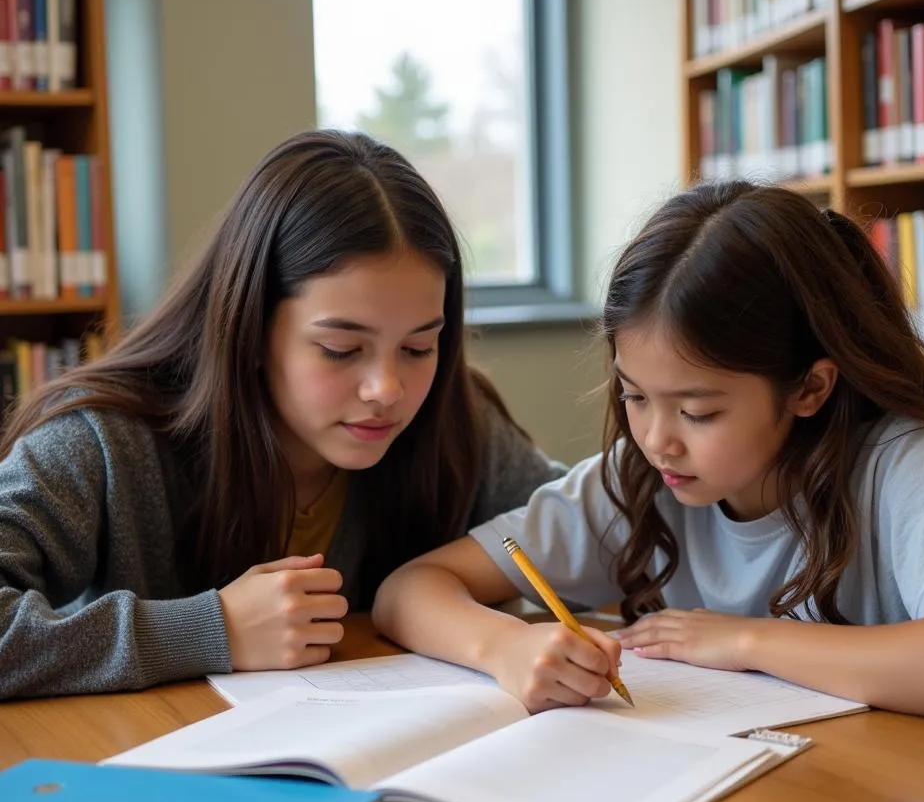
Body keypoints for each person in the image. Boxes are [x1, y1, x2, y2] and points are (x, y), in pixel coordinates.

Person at [373, 181, 924, 727]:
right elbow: (409, 590)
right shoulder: (637, 482)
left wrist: (745, 640)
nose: (657, 439)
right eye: (634, 396)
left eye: (698, 411)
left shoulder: (905, 462)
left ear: (809, 387)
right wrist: (507, 646)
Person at [0, 130, 563, 700]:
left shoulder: (452, 415)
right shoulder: (101, 441)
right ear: (249, 328)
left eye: (419, 348)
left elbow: (605, 523)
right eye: (341, 349)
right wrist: (208, 630)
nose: (387, 390)